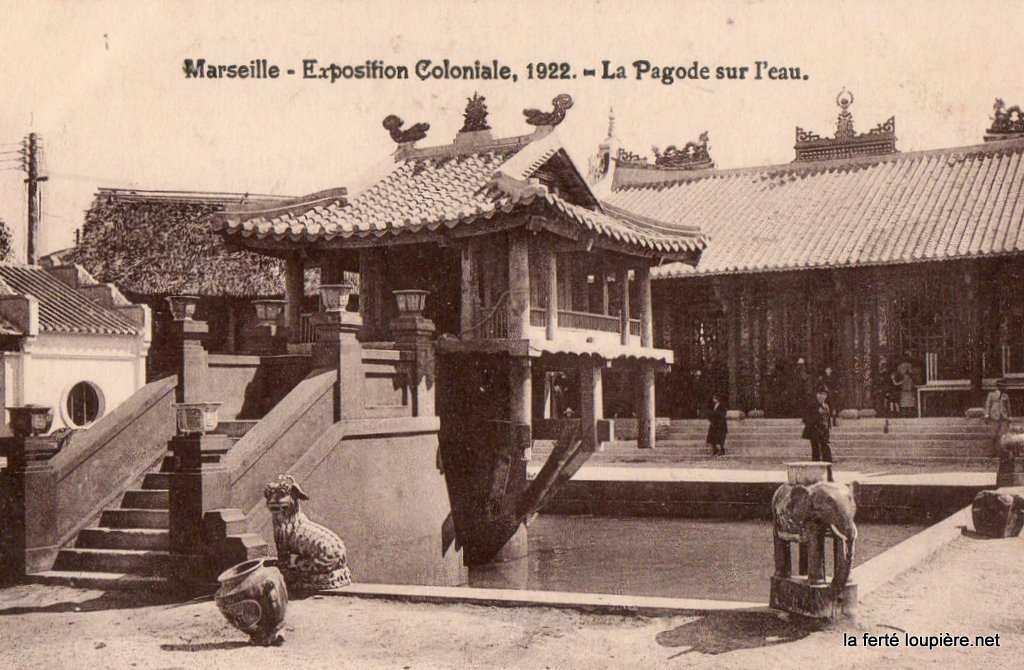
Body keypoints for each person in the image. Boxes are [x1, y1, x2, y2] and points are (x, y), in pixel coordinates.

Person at [802, 386, 834, 463]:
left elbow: (828, 418)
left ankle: (827, 464)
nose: (822, 396)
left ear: (826, 396)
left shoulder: (826, 406)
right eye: (820, 394)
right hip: (815, 431)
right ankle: (816, 464)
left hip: (824, 431)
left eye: (824, 394)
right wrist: (813, 426)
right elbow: (806, 418)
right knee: (816, 449)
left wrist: (829, 427)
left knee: (825, 447)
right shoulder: (812, 406)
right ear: (816, 395)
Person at [985, 379, 1012, 454]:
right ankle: (993, 451)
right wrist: (987, 415)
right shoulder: (991, 394)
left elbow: (1008, 407)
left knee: (1003, 435)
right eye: (1003, 386)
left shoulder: (1006, 396)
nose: (1004, 388)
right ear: (998, 386)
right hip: (994, 417)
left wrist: (1010, 416)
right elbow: (988, 405)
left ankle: (1002, 451)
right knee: (993, 435)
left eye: (1005, 386)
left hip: (1004, 417)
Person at [892, 352, 918, 418]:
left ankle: (906, 411)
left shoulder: (900, 366)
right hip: (907, 383)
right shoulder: (907, 365)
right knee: (907, 396)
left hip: (906, 383)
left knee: (907, 396)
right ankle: (908, 411)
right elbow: (910, 373)